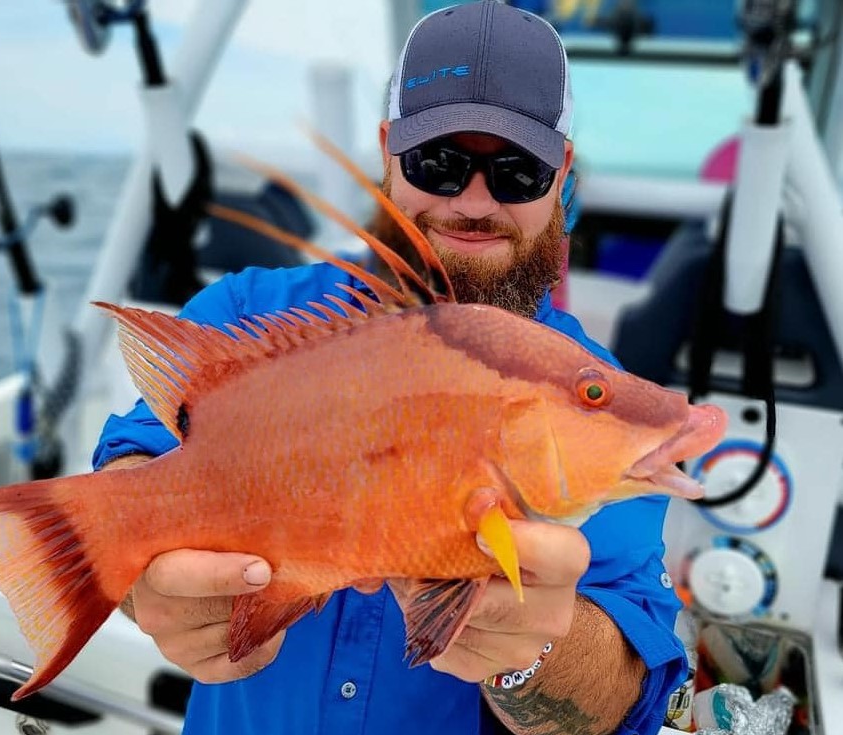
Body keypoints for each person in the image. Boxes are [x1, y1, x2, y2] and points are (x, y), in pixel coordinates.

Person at [92, 2, 687, 733]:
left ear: (561, 174)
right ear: (388, 153)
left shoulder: (590, 401)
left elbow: (626, 688)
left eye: (517, 171)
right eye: (439, 162)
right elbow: (132, 463)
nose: (474, 202)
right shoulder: (248, 311)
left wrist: (534, 651)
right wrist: (144, 580)